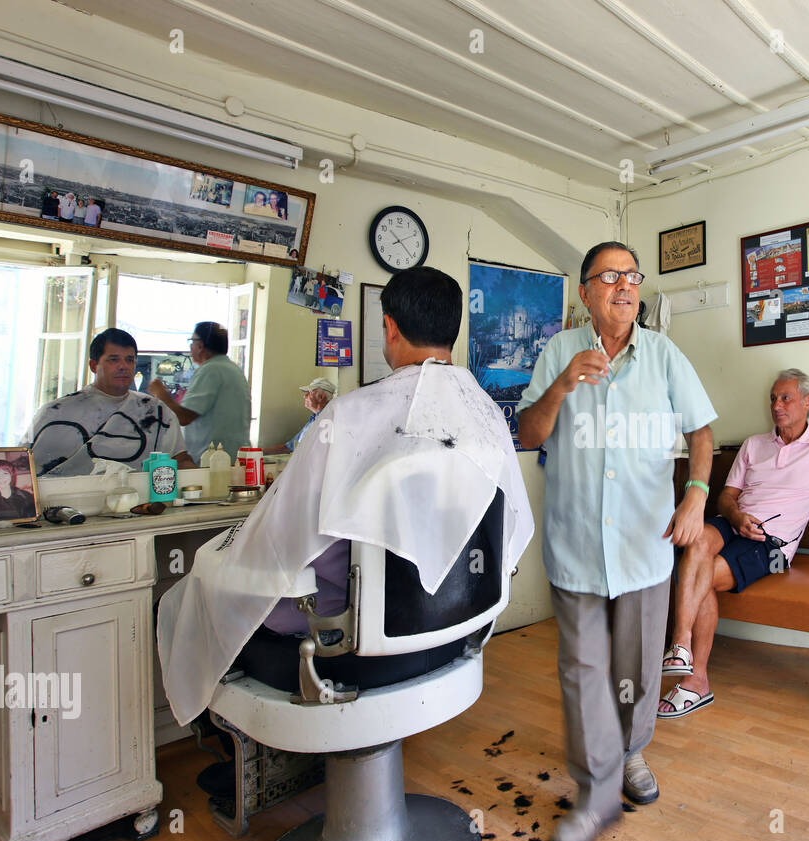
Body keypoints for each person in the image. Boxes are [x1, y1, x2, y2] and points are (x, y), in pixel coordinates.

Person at [157, 265, 533, 731]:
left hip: (349, 638)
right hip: (455, 625)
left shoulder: (351, 414)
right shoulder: (486, 416)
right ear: (453, 328)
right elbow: (513, 523)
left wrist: (217, 560)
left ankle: (216, 744)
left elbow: (280, 536)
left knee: (194, 590)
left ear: (390, 327)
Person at [517, 241, 716, 841]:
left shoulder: (662, 355)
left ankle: (630, 755)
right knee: (582, 669)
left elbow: (702, 431)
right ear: (585, 293)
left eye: (633, 277)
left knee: (633, 667)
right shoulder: (556, 351)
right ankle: (595, 783)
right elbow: (527, 432)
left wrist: (696, 494)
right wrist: (561, 387)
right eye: (610, 277)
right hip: (576, 543)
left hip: (642, 546)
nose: (625, 287)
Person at [659, 369, 809, 719]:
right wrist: (736, 517)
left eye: (786, 398)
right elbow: (727, 497)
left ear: (808, 402)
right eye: (773, 399)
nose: (777, 405)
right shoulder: (754, 445)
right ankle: (682, 646)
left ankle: (695, 680)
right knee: (695, 540)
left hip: (773, 546)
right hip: (735, 524)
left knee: (703, 571)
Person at [24, 328, 194, 476]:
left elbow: (180, 459)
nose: (123, 366)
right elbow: (23, 467)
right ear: (93, 365)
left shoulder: (156, 412)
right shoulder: (55, 412)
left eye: (129, 360)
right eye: (113, 359)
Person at [147, 321, 251, 461]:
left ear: (200, 345)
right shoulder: (232, 369)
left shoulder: (210, 370)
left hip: (212, 461)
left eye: (192, 341)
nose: (190, 346)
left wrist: (160, 394)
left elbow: (184, 417)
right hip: (233, 458)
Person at [263, 377, 335, 455]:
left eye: (309, 393)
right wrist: (259, 451)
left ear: (321, 397)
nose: (304, 396)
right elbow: (289, 447)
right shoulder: (314, 419)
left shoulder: (329, 420)